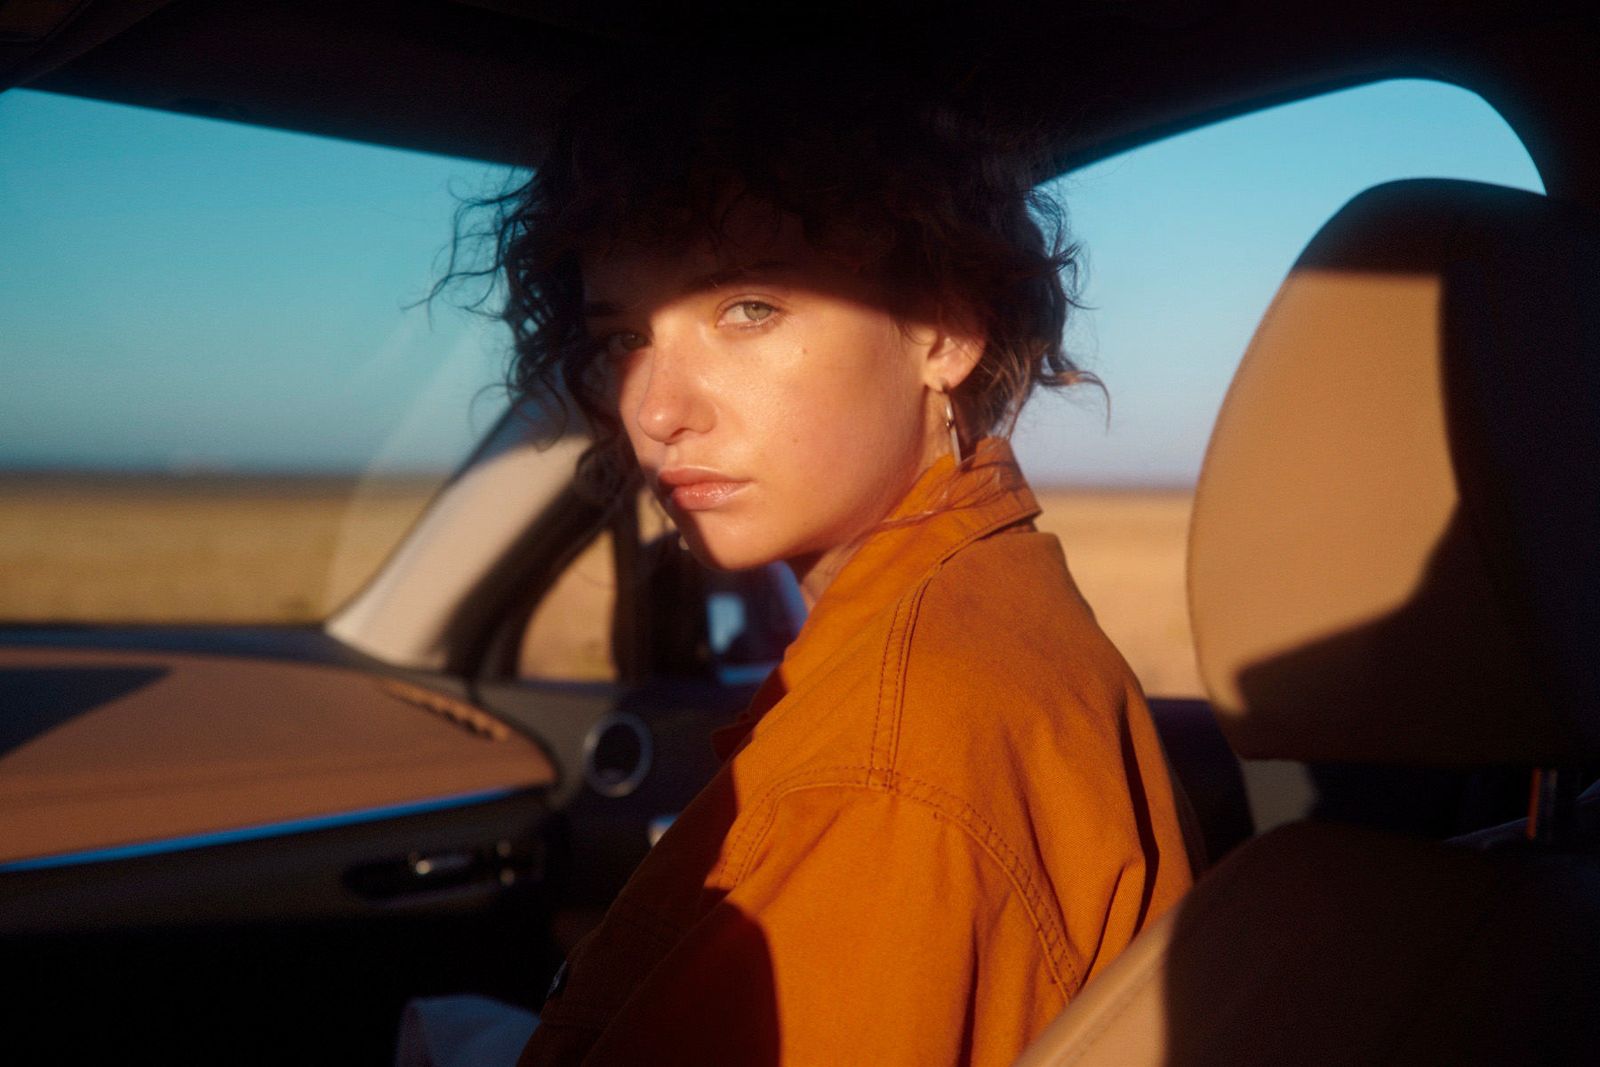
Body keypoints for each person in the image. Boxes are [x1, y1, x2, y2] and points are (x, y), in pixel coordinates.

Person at [476, 48, 1194, 1067]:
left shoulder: (886, 769)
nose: (655, 409)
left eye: (749, 308)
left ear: (941, 330)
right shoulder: (991, 608)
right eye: (627, 334)